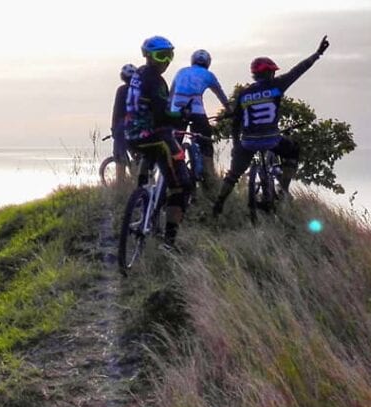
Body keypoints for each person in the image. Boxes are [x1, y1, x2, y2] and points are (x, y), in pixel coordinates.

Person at [211, 35, 330, 217]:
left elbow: (236, 123)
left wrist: (236, 145)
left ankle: (218, 205)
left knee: (233, 175)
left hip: (248, 142)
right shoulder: (278, 85)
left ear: (254, 75)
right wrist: (317, 54)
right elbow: (299, 70)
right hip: (271, 140)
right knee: (293, 151)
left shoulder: (244, 94)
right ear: (270, 73)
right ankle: (283, 189)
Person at [124, 35, 193, 252]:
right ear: (148, 56)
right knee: (182, 186)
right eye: (161, 55)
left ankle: (143, 197)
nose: (166, 61)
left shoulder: (138, 75)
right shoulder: (155, 80)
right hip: (153, 137)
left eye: (169, 55)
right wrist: (182, 115)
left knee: (156, 162)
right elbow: (163, 113)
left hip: (131, 136)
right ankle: (169, 243)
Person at [169, 49, 229, 185]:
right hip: (196, 109)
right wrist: (229, 110)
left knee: (173, 143)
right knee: (206, 141)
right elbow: (221, 95)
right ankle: (209, 177)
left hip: (176, 109)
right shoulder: (208, 75)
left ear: (192, 61)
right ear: (208, 63)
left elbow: (170, 95)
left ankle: (170, 176)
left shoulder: (181, 72)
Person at [109, 63, 137, 181]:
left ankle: (120, 183)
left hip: (123, 126)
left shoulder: (121, 90)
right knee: (138, 155)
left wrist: (114, 128)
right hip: (138, 126)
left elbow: (116, 111)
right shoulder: (139, 90)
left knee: (119, 156)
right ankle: (138, 180)